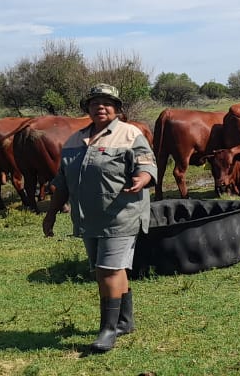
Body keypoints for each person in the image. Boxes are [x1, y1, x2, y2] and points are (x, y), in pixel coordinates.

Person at [43, 83, 156, 353]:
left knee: (108, 271)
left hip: (121, 215)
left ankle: (108, 329)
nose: (100, 107)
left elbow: (147, 165)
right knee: (106, 269)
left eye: (107, 102)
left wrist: (141, 179)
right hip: (88, 218)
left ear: (117, 108)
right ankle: (125, 321)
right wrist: (50, 215)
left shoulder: (130, 134)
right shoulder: (74, 140)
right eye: (95, 103)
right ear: (88, 108)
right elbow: (63, 181)